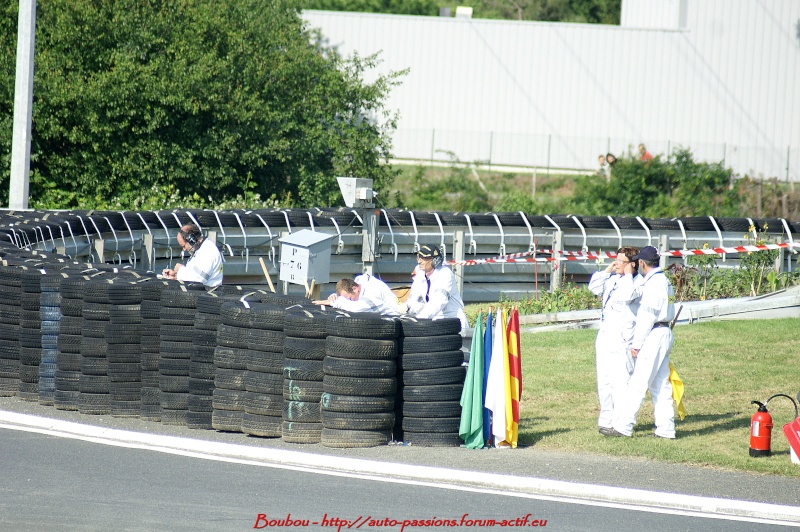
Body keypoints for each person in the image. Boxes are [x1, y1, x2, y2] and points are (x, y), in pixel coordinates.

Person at [608, 246, 676, 439]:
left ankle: (624, 426)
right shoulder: (663, 280)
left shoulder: (654, 283)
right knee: (661, 384)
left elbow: (647, 315)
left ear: (643, 263)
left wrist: (637, 343)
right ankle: (666, 428)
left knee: (639, 382)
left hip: (654, 333)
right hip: (664, 330)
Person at [589, 247, 640, 436]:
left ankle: (621, 421)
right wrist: (610, 268)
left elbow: (628, 295)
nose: (617, 263)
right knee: (604, 381)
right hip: (605, 336)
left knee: (621, 382)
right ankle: (606, 419)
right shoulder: (612, 280)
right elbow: (593, 287)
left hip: (622, 338)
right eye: (615, 260)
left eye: (621, 261)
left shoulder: (636, 283)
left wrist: (627, 274)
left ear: (632, 265)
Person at [406, 244, 468, 331]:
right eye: (418, 257)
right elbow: (413, 299)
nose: (419, 261)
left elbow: (439, 301)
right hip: (436, 323)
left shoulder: (445, 274)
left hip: (454, 323)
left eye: (423, 258)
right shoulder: (420, 274)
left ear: (435, 260)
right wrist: (407, 310)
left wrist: (419, 320)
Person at [313, 274, 401, 316]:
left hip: (397, 318)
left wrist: (337, 302)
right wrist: (334, 297)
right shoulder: (358, 286)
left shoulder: (374, 291)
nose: (351, 301)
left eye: (350, 299)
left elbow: (357, 308)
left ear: (355, 289)